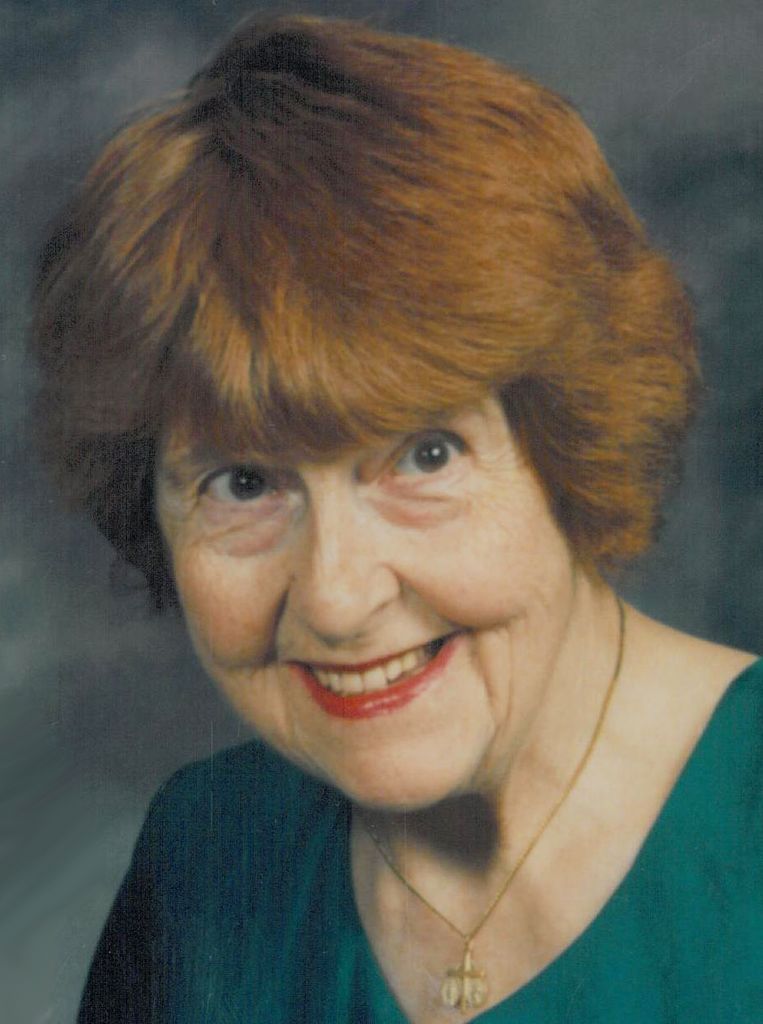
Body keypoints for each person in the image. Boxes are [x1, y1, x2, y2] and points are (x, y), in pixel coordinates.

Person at [31, 14, 761, 1023]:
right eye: (242, 484)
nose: (336, 599)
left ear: (574, 441)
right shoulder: (207, 857)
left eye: (425, 455)